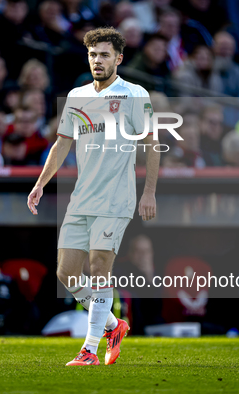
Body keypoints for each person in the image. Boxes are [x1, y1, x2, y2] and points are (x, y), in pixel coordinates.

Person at [27, 27, 161, 366]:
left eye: (103, 54)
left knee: (100, 268)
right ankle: (114, 327)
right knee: (67, 274)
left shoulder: (134, 95)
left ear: (118, 58)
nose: (97, 60)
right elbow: (61, 144)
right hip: (83, 197)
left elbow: (152, 145)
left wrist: (149, 192)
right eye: (92, 54)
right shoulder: (76, 96)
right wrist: (41, 183)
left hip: (117, 197)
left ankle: (89, 350)